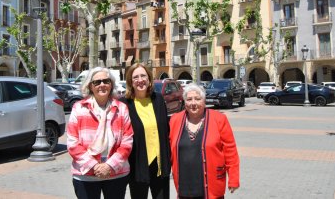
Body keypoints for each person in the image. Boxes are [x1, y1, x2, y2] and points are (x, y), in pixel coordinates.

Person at [67, 67, 133, 199]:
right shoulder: (79, 108)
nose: (102, 85)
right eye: (97, 82)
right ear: (90, 86)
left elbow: (127, 141)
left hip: (116, 173)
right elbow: (73, 143)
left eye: (106, 81)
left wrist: (109, 165)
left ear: (111, 84)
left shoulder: (121, 108)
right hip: (85, 175)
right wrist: (95, 166)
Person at [169, 83, 240, 198]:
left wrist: (233, 179)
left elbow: (230, 150)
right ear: (184, 102)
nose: (193, 103)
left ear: (204, 100)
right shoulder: (175, 120)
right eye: (189, 99)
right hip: (184, 187)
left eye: (197, 99)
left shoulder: (219, 119)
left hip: (211, 186)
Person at [119, 63, 171, 199]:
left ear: (149, 79)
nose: (140, 80)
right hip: (137, 165)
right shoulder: (124, 104)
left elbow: (166, 130)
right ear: (130, 81)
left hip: (160, 164)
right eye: (135, 77)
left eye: (143, 76)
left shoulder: (158, 99)